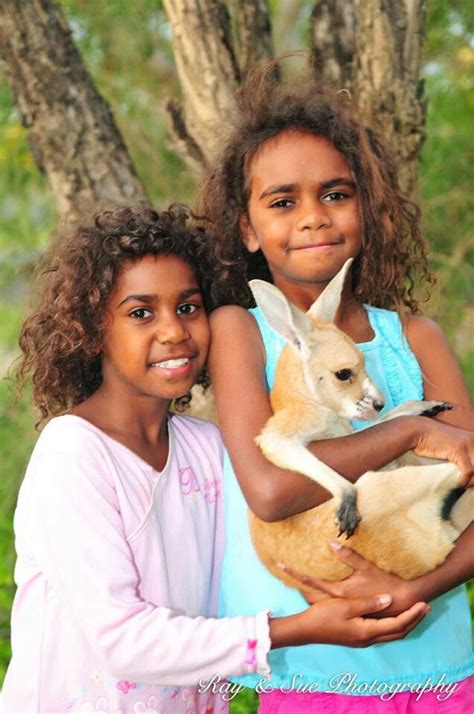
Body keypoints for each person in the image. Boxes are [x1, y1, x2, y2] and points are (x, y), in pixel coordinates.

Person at [2, 204, 427, 714]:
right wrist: (291, 632)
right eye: (141, 313)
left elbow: (278, 529)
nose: (174, 331)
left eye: (188, 307)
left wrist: (375, 583)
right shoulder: (73, 455)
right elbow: (122, 640)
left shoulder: (204, 447)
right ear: (90, 329)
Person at [202, 65, 474, 712]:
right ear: (247, 229)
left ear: (366, 207)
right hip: (317, 678)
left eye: (335, 193)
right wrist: (409, 430)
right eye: (282, 202)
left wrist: (417, 589)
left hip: (442, 671)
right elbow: (270, 491)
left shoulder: (416, 339)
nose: (313, 218)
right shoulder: (241, 333)